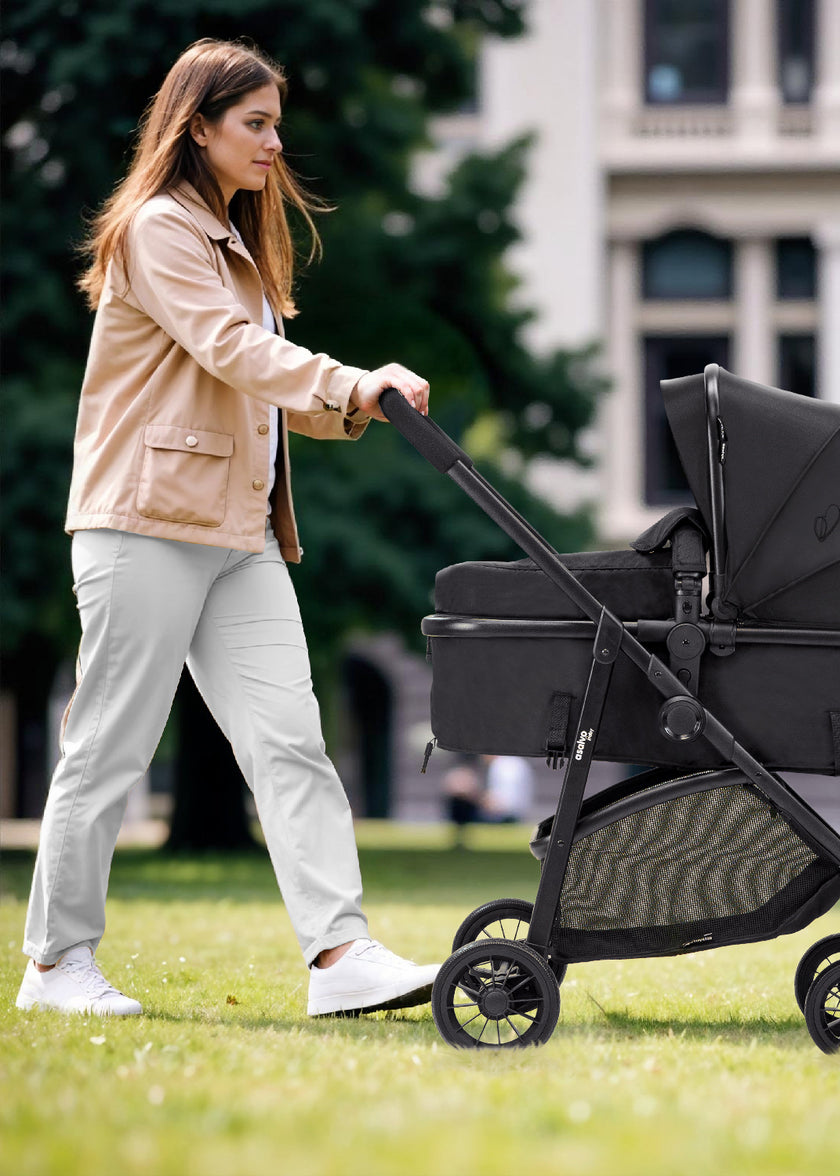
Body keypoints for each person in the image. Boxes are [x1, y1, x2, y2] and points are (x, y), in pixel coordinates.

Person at [15, 39, 441, 1019]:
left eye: (276, 124)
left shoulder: (240, 253)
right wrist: (348, 380)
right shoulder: (159, 229)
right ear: (197, 126)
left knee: (292, 740)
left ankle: (340, 958)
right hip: (146, 523)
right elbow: (229, 352)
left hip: (239, 534)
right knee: (112, 744)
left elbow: (261, 388)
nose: (274, 143)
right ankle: (54, 966)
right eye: (255, 124)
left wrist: (361, 404)